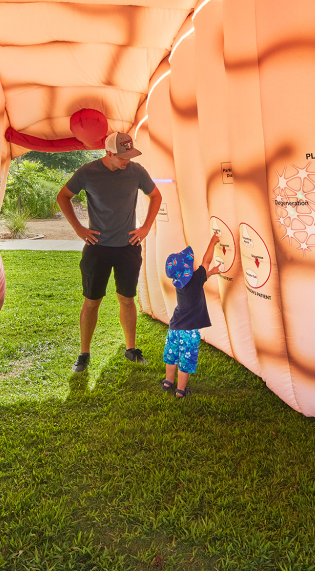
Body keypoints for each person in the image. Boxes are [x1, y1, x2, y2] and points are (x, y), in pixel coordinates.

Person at [57, 131, 163, 372]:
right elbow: (63, 196)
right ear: (108, 153)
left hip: (128, 248)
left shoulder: (136, 171)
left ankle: (130, 349)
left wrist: (146, 227)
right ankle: (84, 354)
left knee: (127, 299)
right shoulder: (87, 172)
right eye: (123, 156)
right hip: (97, 249)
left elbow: (155, 195)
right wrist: (78, 228)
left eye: (130, 155)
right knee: (92, 303)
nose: (127, 160)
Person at [161, 232, 221, 398]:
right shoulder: (195, 279)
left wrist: (211, 273)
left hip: (174, 327)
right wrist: (213, 241)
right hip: (189, 331)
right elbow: (206, 261)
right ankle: (180, 391)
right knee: (185, 362)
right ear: (189, 270)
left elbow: (198, 279)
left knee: (172, 356)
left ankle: (168, 382)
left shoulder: (179, 283)